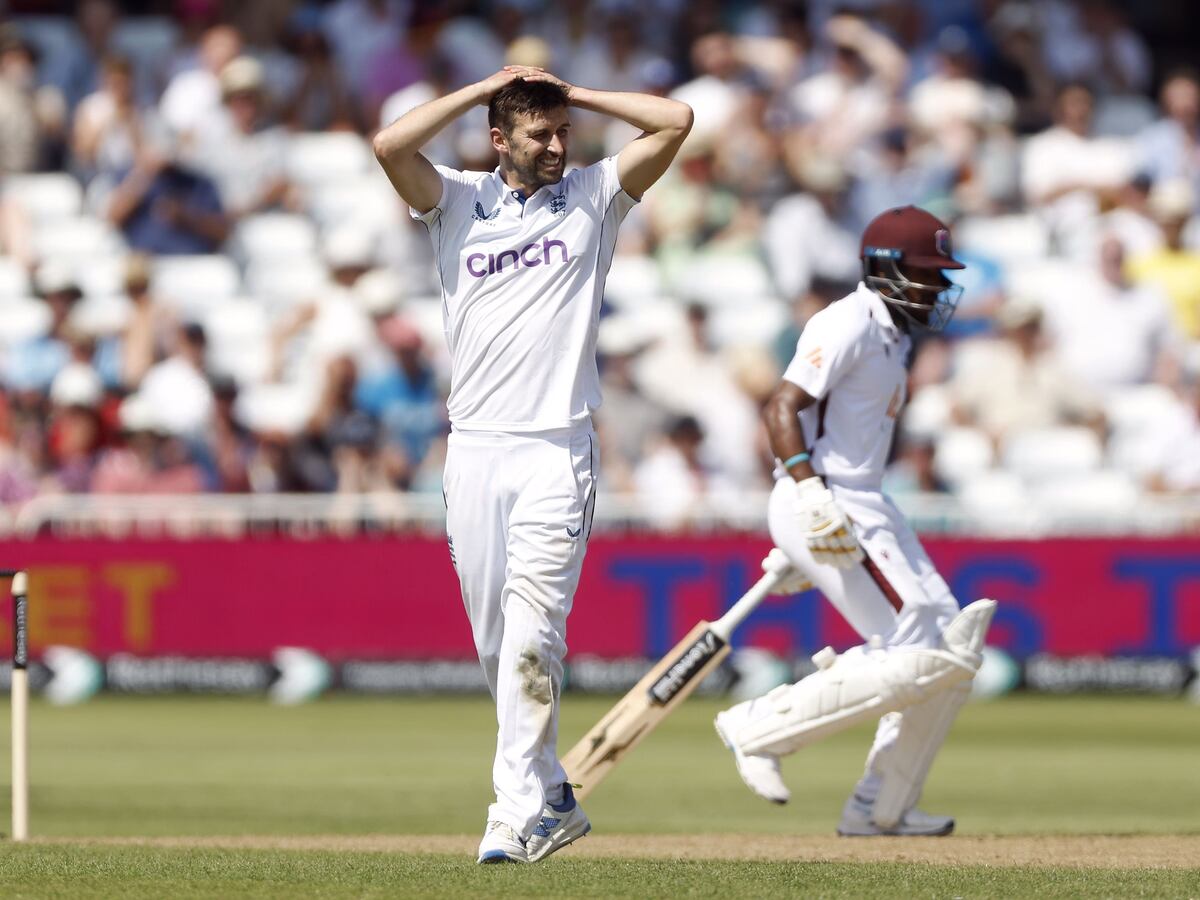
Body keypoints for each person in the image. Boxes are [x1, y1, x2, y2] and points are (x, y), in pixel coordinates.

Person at [373, 66, 691, 864]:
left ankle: (512, 814)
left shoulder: (594, 195)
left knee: (531, 636)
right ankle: (551, 789)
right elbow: (388, 144)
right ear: (497, 138)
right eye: (538, 133)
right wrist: (489, 84)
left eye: (562, 133)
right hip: (474, 451)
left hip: (557, 448)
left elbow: (676, 120)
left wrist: (571, 93)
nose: (555, 146)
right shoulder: (452, 200)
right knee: (496, 643)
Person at [713, 206, 995, 836]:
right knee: (915, 644)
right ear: (886, 270)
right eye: (928, 275)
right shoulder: (847, 321)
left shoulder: (895, 337)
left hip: (865, 499)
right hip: (827, 495)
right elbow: (781, 407)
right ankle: (755, 727)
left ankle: (881, 806)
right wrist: (809, 502)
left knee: (949, 648)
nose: (939, 289)